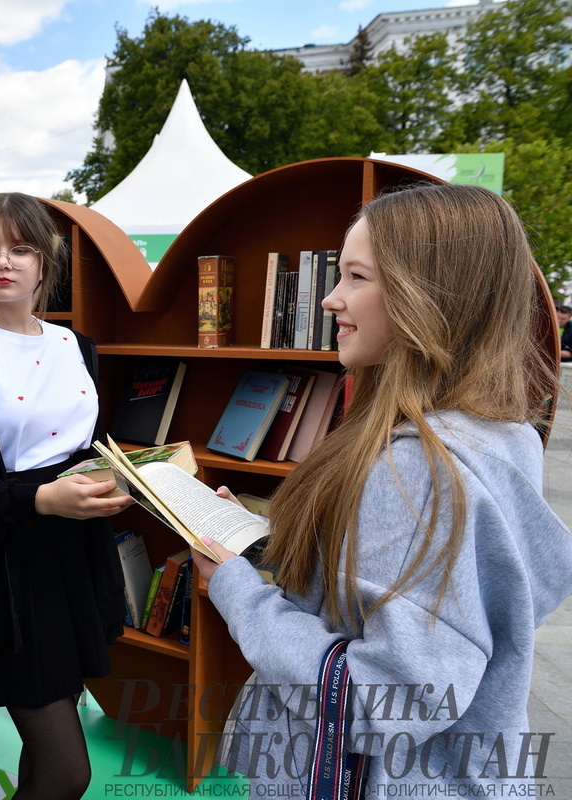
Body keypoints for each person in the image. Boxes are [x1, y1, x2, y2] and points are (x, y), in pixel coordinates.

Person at [193, 183, 572, 795]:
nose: (331, 299)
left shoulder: (417, 468)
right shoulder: (505, 435)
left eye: (357, 277)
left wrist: (236, 588)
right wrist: (258, 546)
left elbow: (377, 701)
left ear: (431, 297)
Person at [0, 192, 133, 799]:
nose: (3, 261)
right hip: (10, 576)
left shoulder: (74, 346)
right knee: (68, 773)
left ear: (46, 262)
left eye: (20, 248)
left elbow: (83, 446)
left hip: (76, 560)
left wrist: (126, 477)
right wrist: (42, 500)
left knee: (41, 761)